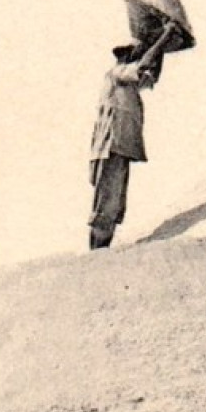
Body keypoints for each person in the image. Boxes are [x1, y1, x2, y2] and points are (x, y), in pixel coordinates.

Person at [88, 29, 176, 250]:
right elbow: (144, 66)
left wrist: (162, 47)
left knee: (115, 204)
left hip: (121, 147)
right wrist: (164, 37)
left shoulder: (127, 80)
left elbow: (151, 76)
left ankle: (101, 251)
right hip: (111, 147)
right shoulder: (117, 73)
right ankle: (96, 254)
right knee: (106, 204)